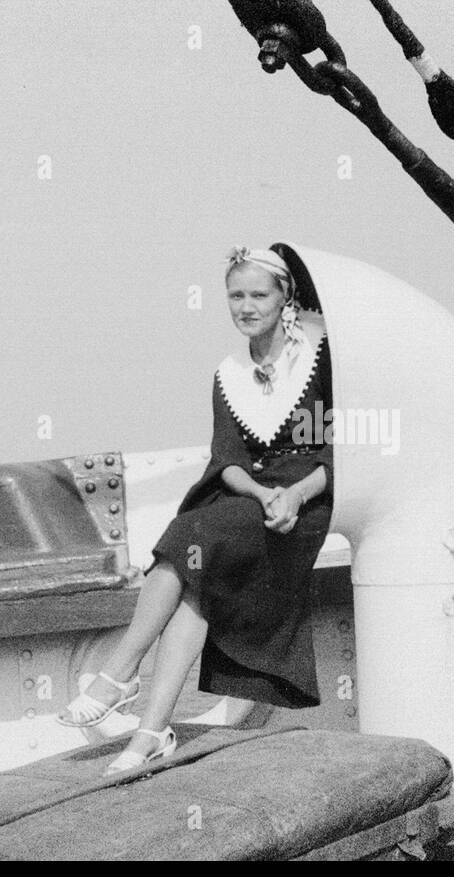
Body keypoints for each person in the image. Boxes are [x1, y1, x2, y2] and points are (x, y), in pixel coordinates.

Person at [58, 245, 333, 773]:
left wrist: (294, 494)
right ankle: (150, 730)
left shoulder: (316, 359)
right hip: (253, 495)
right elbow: (227, 460)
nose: (246, 306)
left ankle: (119, 672)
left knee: (192, 540)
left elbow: (331, 450)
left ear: (284, 297)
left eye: (259, 294)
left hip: (310, 496)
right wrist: (258, 492)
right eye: (236, 295)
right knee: (193, 566)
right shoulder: (228, 373)